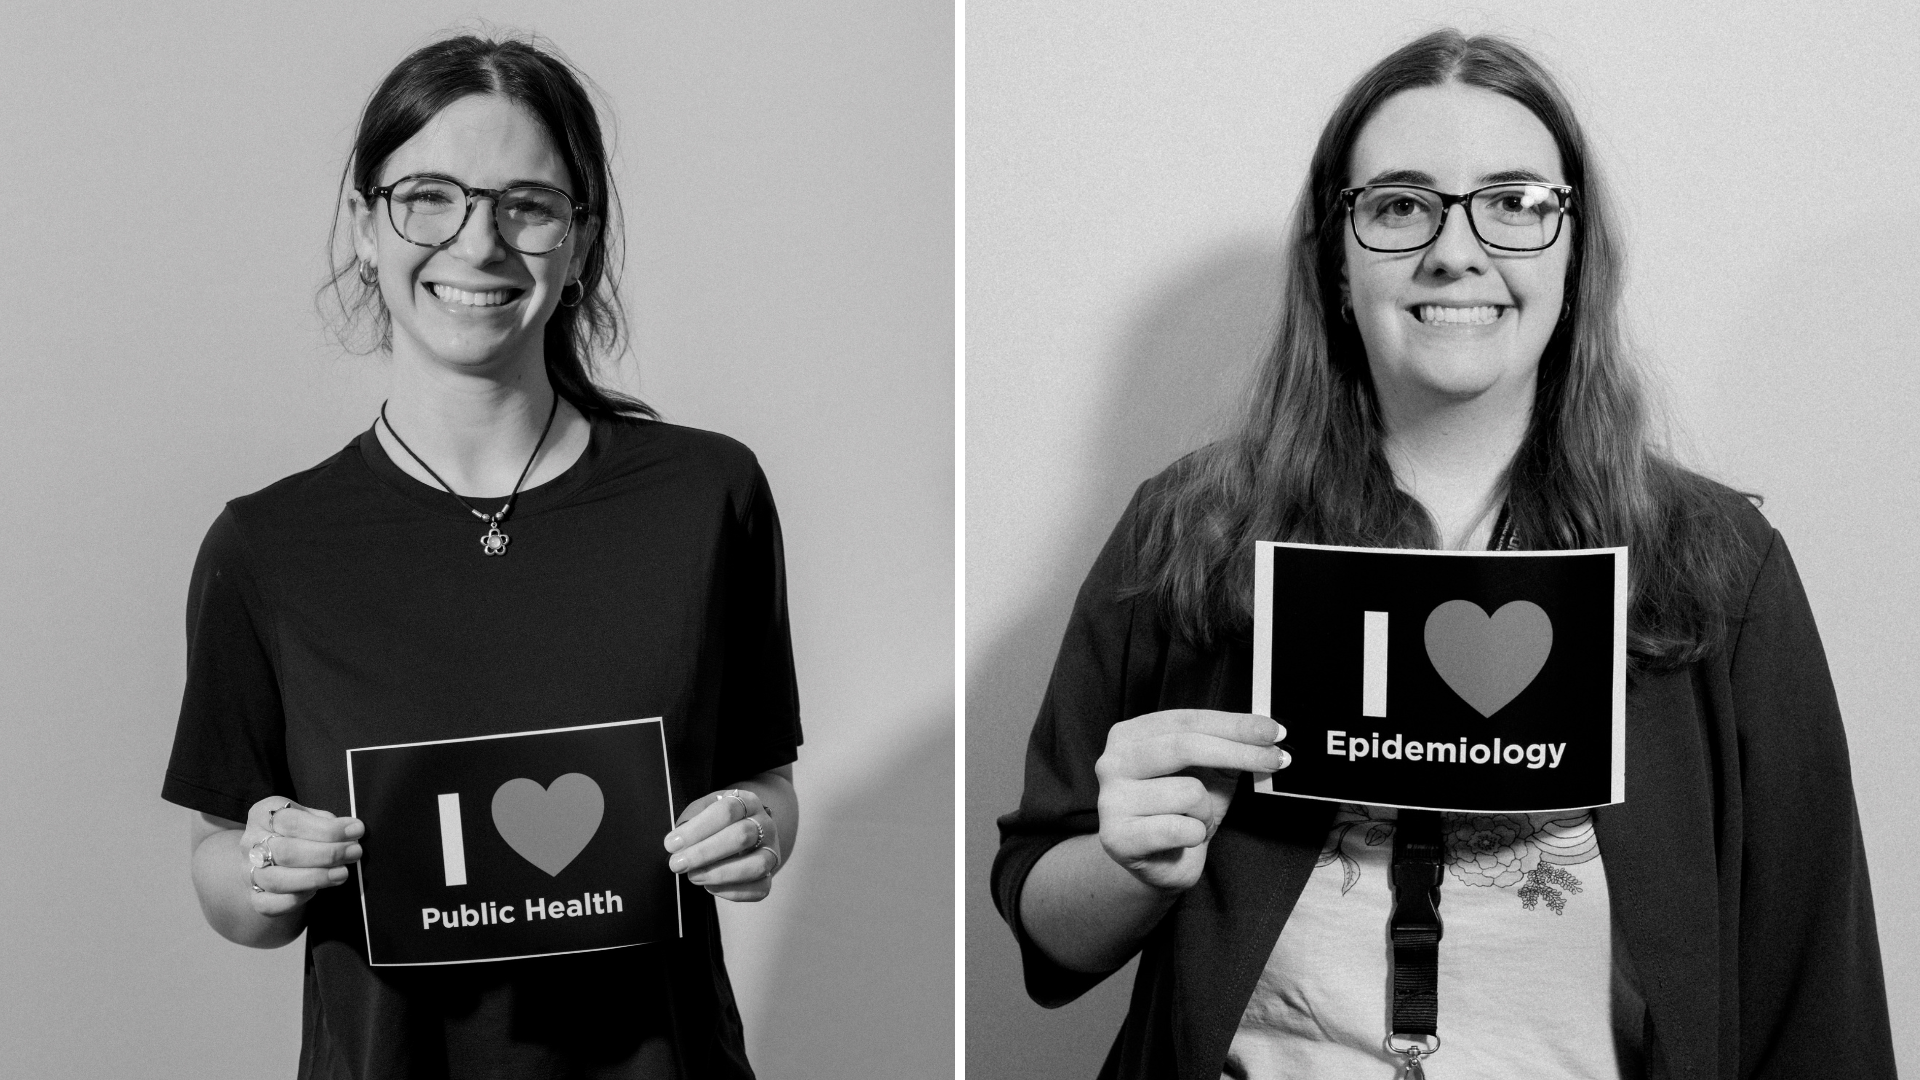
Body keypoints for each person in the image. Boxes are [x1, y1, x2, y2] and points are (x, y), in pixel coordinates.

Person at [991, 29, 1893, 1080]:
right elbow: (1046, 929)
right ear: (1335, 256)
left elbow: (1815, 991)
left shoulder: (1717, 565)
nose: (1456, 250)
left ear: (1573, 249)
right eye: (1400, 204)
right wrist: (1127, 865)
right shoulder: (1191, 530)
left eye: (1515, 202)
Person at [163, 35, 800, 1078]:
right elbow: (223, 867)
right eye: (429, 197)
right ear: (368, 226)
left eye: (527, 205)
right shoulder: (266, 549)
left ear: (582, 239)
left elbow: (760, 776)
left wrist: (754, 827)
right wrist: (268, 867)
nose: (478, 242)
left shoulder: (705, 498)